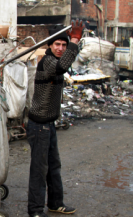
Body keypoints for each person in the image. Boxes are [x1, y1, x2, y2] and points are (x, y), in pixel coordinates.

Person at [26, 20, 84, 217]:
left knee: (53, 166)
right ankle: (35, 210)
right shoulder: (48, 61)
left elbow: (65, 63)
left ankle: (55, 203)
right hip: (38, 125)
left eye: (64, 45)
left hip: (48, 124)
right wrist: (75, 39)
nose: (60, 48)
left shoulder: (56, 60)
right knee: (39, 170)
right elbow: (63, 66)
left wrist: (74, 42)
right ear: (49, 46)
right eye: (57, 44)